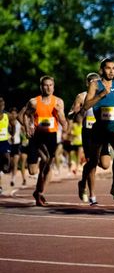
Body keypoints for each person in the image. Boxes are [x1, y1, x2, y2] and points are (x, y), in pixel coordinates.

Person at [18, 77, 68, 206]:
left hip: (51, 137)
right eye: (46, 85)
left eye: (51, 85)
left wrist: (60, 113)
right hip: (37, 137)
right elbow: (23, 115)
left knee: (47, 165)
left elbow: (65, 124)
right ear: (41, 87)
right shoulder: (34, 102)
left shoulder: (58, 102)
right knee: (33, 171)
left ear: (54, 87)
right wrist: (27, 127)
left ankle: (39, 192)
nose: (48, 88)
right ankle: (39, 188)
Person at [82, 58, 114, 205]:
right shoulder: (95, 85)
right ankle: (82, 182)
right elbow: (85, 106)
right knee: (93, 161)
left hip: (112, 128)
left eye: (113, 68)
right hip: (98, 128)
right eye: (108, 68)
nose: (111, 71)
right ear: (101, 70)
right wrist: (100, 95)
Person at [68, 72, 112, 203]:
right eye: (92, 82)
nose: (95, 84)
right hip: (88, 132)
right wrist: (76, 112)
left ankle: (82, 182)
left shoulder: (105, 95)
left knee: (105, 164)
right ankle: (92, 196)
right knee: (92, 164)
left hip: (103, 131)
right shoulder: (81, 96)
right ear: (87, 83)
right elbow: (70, 113)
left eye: (97, 82)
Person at [8, 107, 25, 186]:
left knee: (15, 163)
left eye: (15, 113)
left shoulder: (19, 123)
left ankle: (13, 179)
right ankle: (11, 176)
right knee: (10, 163)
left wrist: (25, 138)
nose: (13, 115)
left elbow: (24, 132)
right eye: (12, 113)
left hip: (17, 144)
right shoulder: (7, 122)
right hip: (8, 144)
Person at [0, 97, 11, 193]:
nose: (1, 105)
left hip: (4, 141)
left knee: (7, 159)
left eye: (2, 103)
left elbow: (13, 123)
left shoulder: (7, 115)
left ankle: (2, 170)